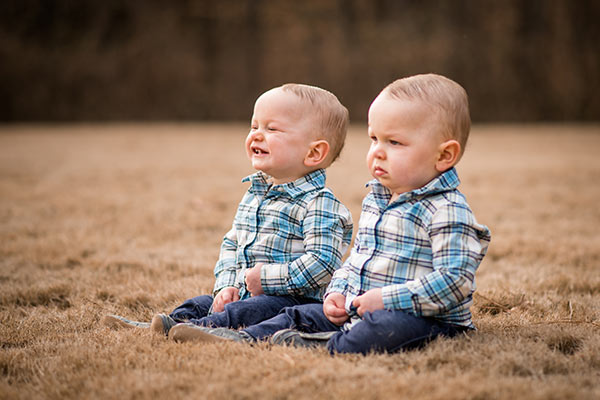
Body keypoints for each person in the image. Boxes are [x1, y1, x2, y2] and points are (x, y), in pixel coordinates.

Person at [167, 73, 492, 355]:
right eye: (374, 139)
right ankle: (237, 335)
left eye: (394, 142)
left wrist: (385, 299)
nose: (377, 151)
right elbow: (356, 261)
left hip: (426, 320)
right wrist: (339, 292)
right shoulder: (377, 201)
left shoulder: (447, 211)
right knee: (299, 314)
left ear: (444, 154)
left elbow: (454, 283)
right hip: (360, 308)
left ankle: (318, 342)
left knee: (380, 327)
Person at [103, 83, 353, 335]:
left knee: (254, 309)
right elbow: (232, 245)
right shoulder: (255, 195)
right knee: (201, 302)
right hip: (246, 295)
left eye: (272, 128)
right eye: (254, 126)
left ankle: (198, 330)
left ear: (314, 152)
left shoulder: (319, 203)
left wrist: (265, 279)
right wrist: (227, 286)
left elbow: (323, 264)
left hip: (292, 302)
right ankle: (168, 324)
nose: (256, 134)